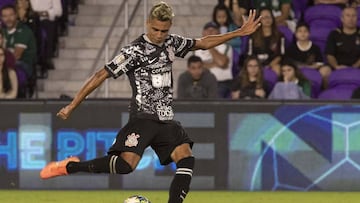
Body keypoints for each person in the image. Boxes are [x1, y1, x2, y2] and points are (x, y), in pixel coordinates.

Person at [39, 2, 261, 203]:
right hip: (143, 117)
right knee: (126, 166)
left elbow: (202, 43)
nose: (159, 34)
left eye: (164, 30)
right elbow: (100, 75)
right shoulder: (134, 51)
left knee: (186, 158)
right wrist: (72, 105)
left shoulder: (172, 43)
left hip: (166, 119)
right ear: (148, 24)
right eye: (155, 29)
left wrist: (240, 32)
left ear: (170, 27)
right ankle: (70, 166)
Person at [194, 21, 234, 98]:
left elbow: (222, 63)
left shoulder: (226, 47)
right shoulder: (197, 49)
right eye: (208, 30)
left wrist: (210, 46)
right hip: (202, 82)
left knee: (214, 99)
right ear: (203, 33)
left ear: (218, 32)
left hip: (221, 82)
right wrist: (214, 63)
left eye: (213, 30)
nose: (210, 32)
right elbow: (196, 67)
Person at [1, 4, 37, 80]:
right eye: (5, 16)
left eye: (11, 15)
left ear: (16, 15)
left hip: (22, 65)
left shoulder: (24, 31)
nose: (8, 19)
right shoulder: (3, 31)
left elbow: (16, 56)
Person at [248, 8, 285, 75]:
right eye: (264, 18)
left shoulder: (279, 36)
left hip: (272, 63)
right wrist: (257, 65)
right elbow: (250, 54)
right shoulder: (252, 36)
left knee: (277, 68)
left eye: (268, 17)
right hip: (256, 63)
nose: (267, 19)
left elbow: (281, 55)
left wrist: (269, 65)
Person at [212, 3, 244, 76]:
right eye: (219, 17)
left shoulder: (232, 27)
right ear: (215, 17)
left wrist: (225, 41)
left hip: (233, 53)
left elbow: (238, 42)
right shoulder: (213, 28)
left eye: (224, 16)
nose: (221, 19)